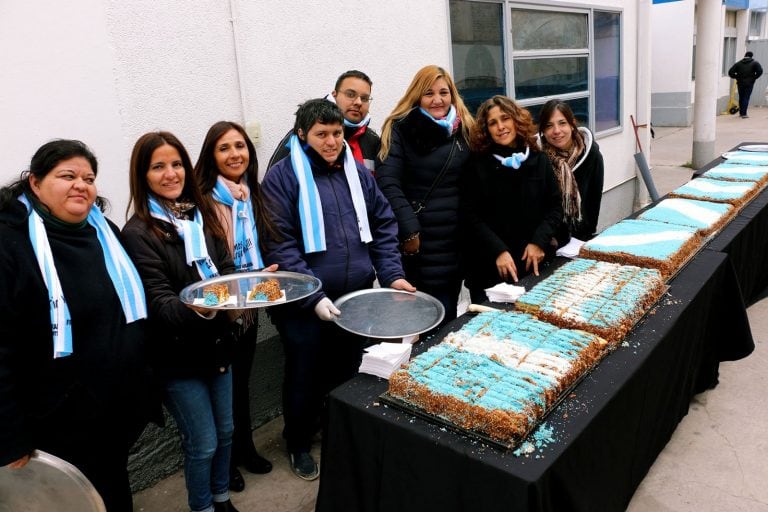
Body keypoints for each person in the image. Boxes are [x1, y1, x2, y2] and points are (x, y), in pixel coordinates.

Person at [261, 98, 414, 481]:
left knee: (348, 372)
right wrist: (313, 298)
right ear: (302, 135)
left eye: (336, 133)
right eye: (321, 134)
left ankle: (340, 436)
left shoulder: (356, 172)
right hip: (302, 303)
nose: (331, 142)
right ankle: (297, 442)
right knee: (304, 375)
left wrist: (392, 274)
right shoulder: (283, 177)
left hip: (355, 297)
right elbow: (280, 243)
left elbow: (382, 223)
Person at [0, 139, 154, 511]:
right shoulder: (10, 245)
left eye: (88, 177)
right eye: (67, 175)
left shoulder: (105, 233)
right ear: (35, 183)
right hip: (53, 421)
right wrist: (10, 435)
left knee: (113, 491)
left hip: (111, 412)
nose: (81, 185)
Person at [121, 132, 240, 512]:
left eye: (176, 165)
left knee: (226, 432)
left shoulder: (200, 217)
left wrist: (246, 290)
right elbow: (160, 303)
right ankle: (202, 507)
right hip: (175, 358)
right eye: (158, 167)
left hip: (217, 344)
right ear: (143, 176)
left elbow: (225, 271)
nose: (171, 174)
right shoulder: (138, 233)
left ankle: (221, 499)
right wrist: (211, 307)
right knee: (202, 441)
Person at [194, 121, 280, 493]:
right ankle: (224, 464)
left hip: (249, 305)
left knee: (241, 383)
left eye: (241, 146)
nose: (235, 155)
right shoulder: (202, 200)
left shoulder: (250, 194)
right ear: (211, 156)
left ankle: (244, 449)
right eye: (225, 148)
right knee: (223, 390)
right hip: (217, 311)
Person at [376, 64, 474, 326]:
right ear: (417, 96)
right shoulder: (401, 129)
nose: (438, 99)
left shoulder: (465, 128)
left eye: (444, 92)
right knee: (422, 319)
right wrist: (410, 230)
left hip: (456, 242)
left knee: (449, 313)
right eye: (429, 93)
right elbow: (388, 183)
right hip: (420, 243)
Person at [461, 95, 563, 304]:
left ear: (516, 120)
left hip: (533, 264)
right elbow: (469, 214)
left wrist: (539, 242)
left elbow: (554, 207)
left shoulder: (538, 159)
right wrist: (497, 251)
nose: (500, 126)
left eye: (505, 118)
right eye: (492, 123)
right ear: (486, 129)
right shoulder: (476, 164)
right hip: (490, 267)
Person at [267, 70, 381, 171]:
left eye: (364, 98)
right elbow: (274, 184)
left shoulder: (373, 140)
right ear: (334, 95)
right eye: (350, 94)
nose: (358, 102)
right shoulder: (302, 135)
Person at [537, 99, 604, 244]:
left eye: (562, 123)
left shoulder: (591, 155)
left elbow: (593, 201)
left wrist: (584, 238)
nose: (556, 131)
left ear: (572, 124)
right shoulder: (538, 159)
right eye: (549, 126)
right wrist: (545, 238)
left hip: (578, 240)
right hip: (547, 241)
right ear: (543, 130)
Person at [728, 51, 763, 119]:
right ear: (751, 56)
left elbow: (730, 72)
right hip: (749, 83)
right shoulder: (755, 63)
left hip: (740, 83)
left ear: (745, 55)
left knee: (741, 97)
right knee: (746, 97)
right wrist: (754, 77)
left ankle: (741, 113)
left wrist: (737, 77)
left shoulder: (738, 63)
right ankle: (744, 114)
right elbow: (760, 71)